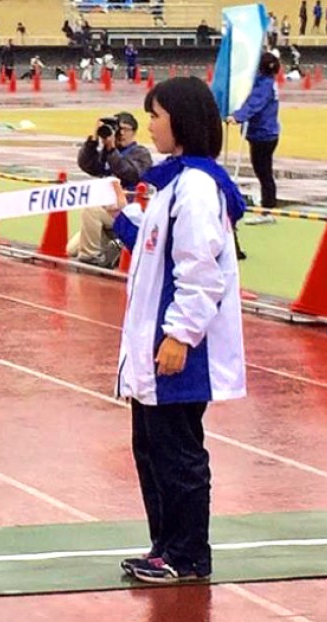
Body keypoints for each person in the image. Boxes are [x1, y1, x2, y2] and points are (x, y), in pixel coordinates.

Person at [110, 76, 246, 584]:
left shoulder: (197, 187)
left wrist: (179, 336)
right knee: (151, 449)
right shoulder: (175, 182)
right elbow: (152, 248)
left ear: (182, 122)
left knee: (178, 453)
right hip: (153, 348)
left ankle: (188, 554)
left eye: (156, 116)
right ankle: (165, 545)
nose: (149, 125)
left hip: (181, 352)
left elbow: (198, 270)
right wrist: (118, 215)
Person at [69, 112, 153, 267]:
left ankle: (92, 257)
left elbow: (129, 173)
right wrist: (93, 141)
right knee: (71, 250)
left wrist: (112, 150)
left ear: (134, 132)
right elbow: (87, 165)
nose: (120, 133)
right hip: (106, 212)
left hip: (125, 212)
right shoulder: (107, 152)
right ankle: (113, 249)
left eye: (124, 129)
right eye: (116, 129)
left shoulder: (141, 153)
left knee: (91, 210)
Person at [227, 52, 281, 224]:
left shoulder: (265, 85)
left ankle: (267, 210)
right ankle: (267, 206)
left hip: (263, 134)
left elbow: (254, 104)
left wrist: (238, 117)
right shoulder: (267, 82)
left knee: (264, 173)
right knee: (264, 172)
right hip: (265, 132)